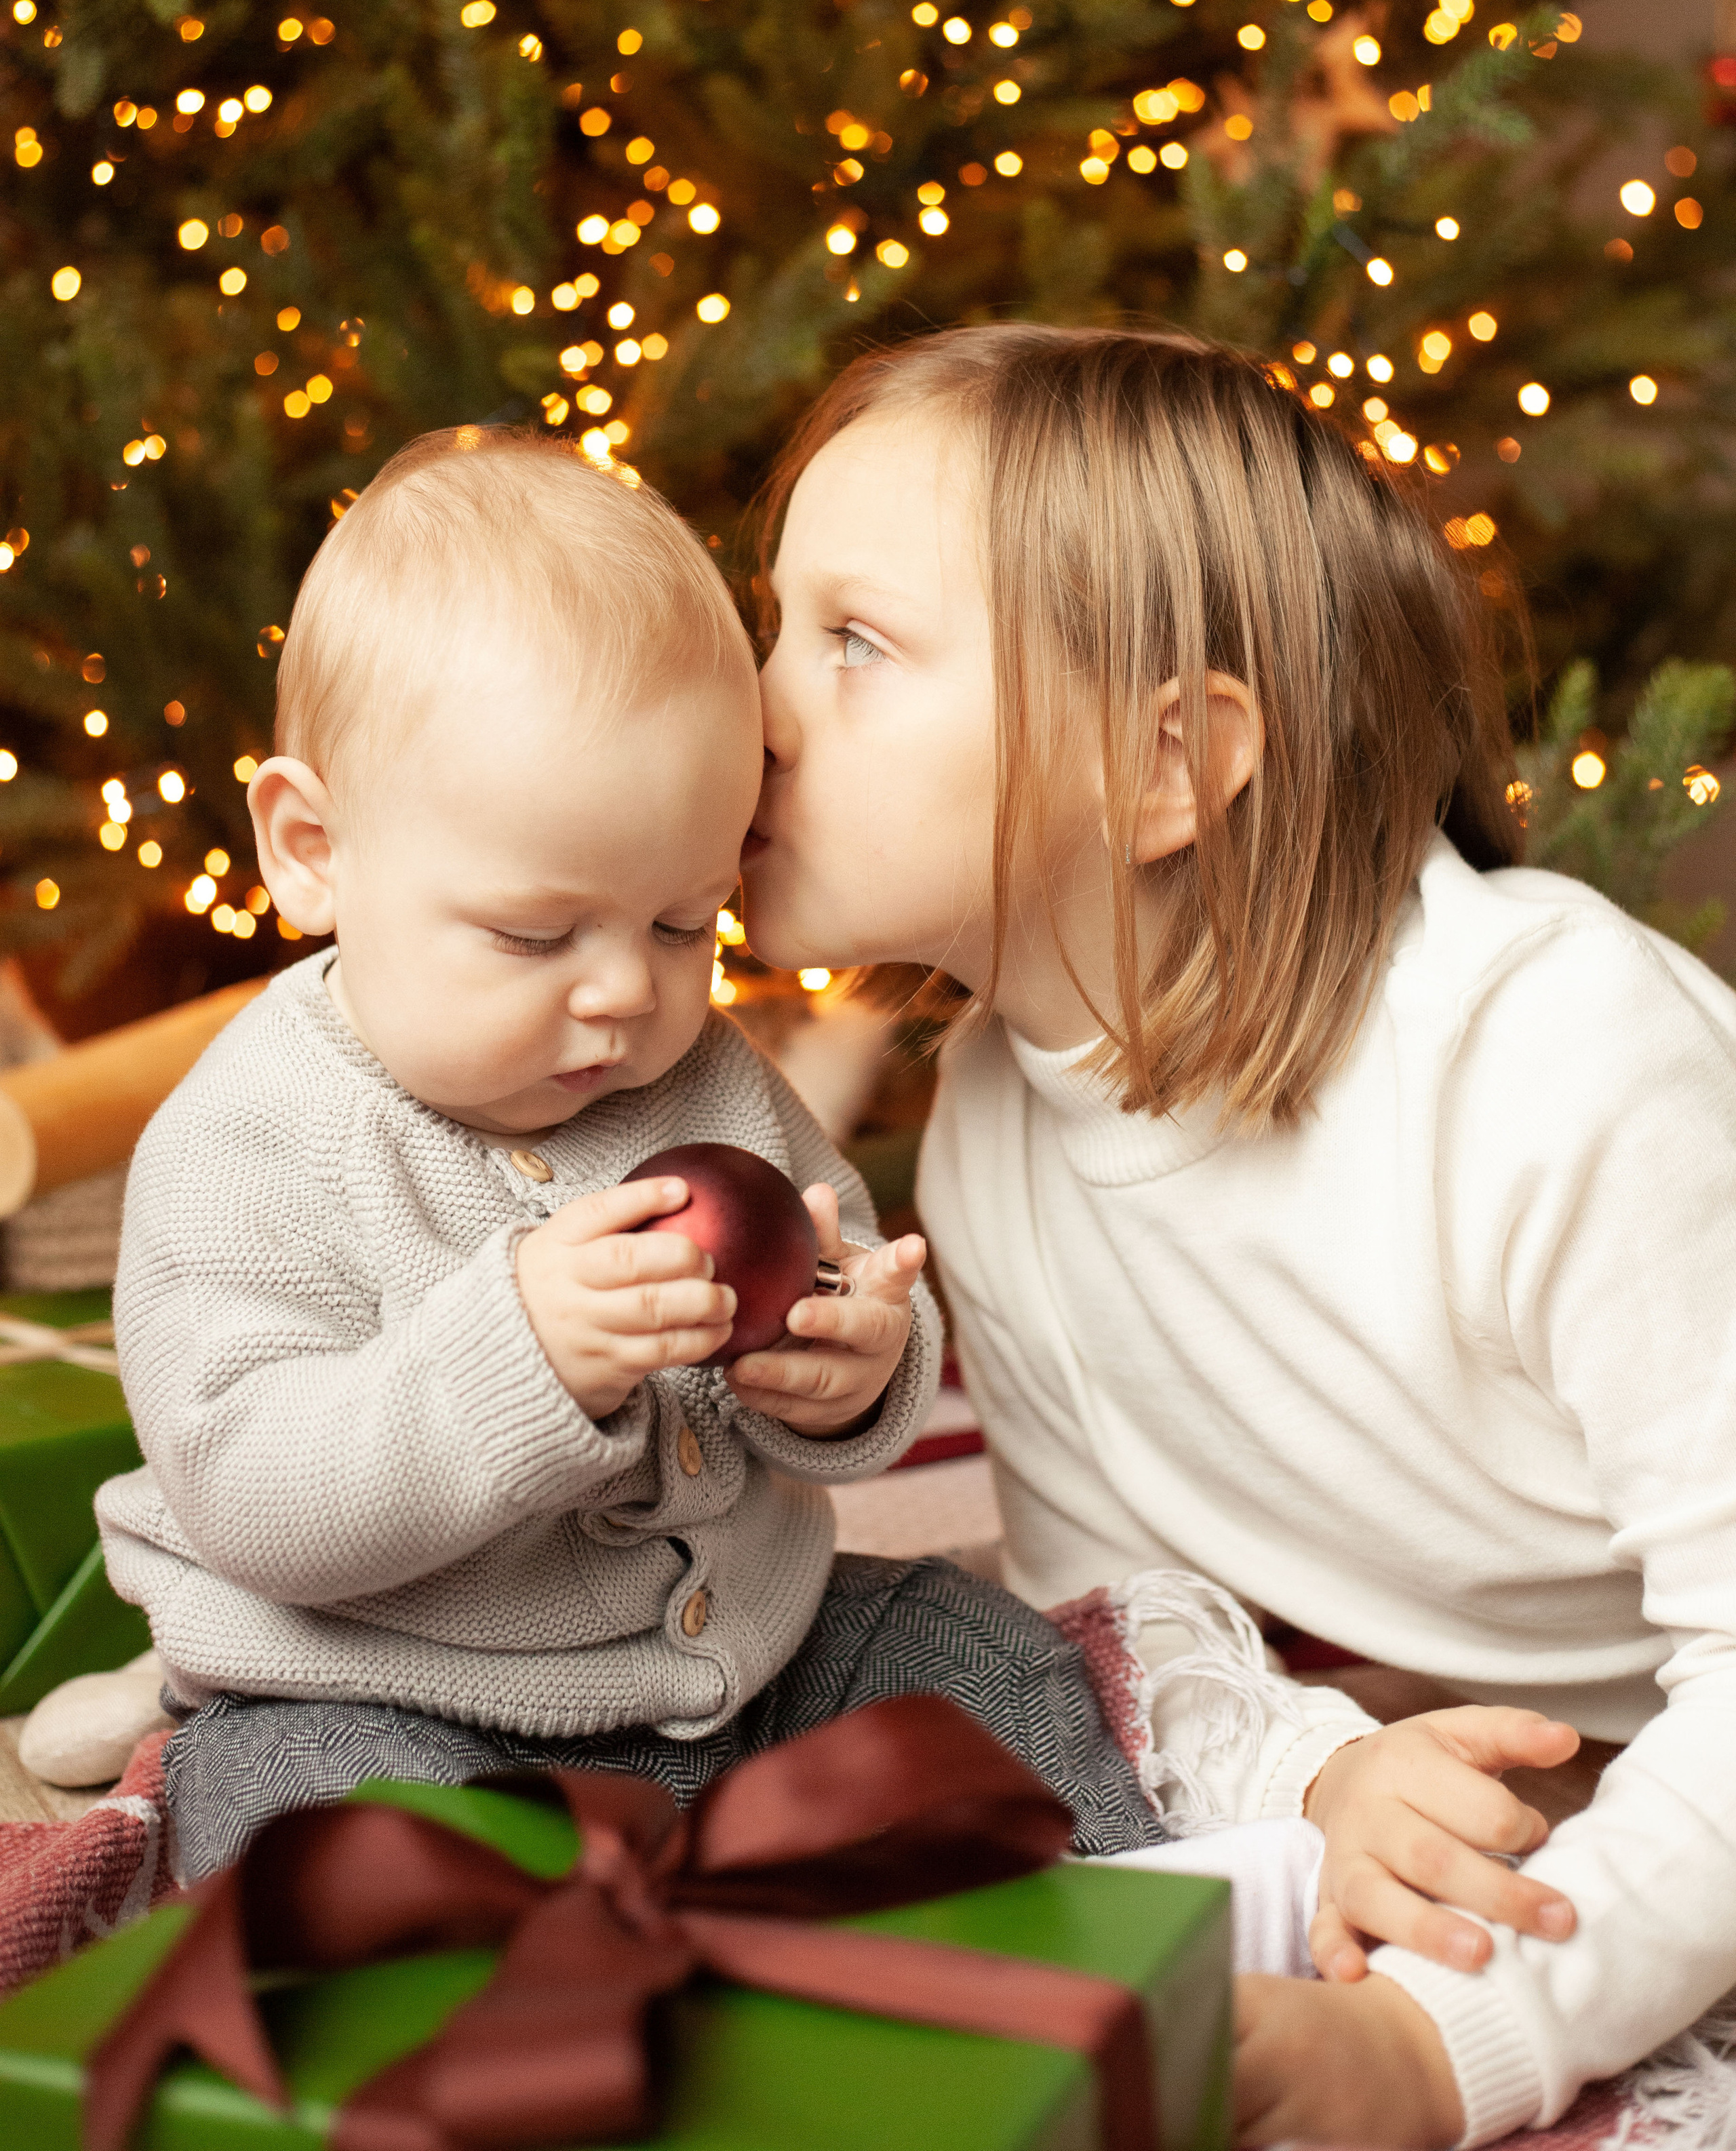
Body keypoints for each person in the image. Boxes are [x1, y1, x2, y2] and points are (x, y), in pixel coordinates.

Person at [743, 323, 1736, 2148]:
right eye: (773, 624)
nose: (753, 709)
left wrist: (1457, 2041)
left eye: (856, 643)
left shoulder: (1560, 1066)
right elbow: (1121, 1624)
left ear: (1164, 768)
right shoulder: (990, 1130)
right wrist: (1328, 1773)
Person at [96, 426, 1161, 1883]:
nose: (623, 993)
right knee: (307, 1815)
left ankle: (1149, 1927)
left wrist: (846, 1368)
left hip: (747, 1669)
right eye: (537, 936)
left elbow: (831, 1259)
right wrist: (512, 1359)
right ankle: (562, 2009)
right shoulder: (248, 1142)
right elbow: (253, 1496)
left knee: (973, 1648)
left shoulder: (703, 1074)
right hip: (387, 1689)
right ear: (311, 848)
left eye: (681, 924)